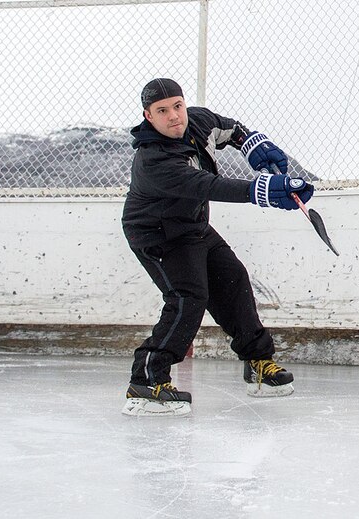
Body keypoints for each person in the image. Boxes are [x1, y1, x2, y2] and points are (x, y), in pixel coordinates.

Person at [120, 78, 313, 416]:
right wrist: (264, 190)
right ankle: (147, 381)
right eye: (162, 111)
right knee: (188, 295)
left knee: (233, 278)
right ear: (148, 117)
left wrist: (255, 145)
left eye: (177, 106)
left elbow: (232, 130)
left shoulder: (198, 121)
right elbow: (208, 185)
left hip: (194, 226)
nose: (174, 117)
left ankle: (258, 363)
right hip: (157, 234)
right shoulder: (152, 160)